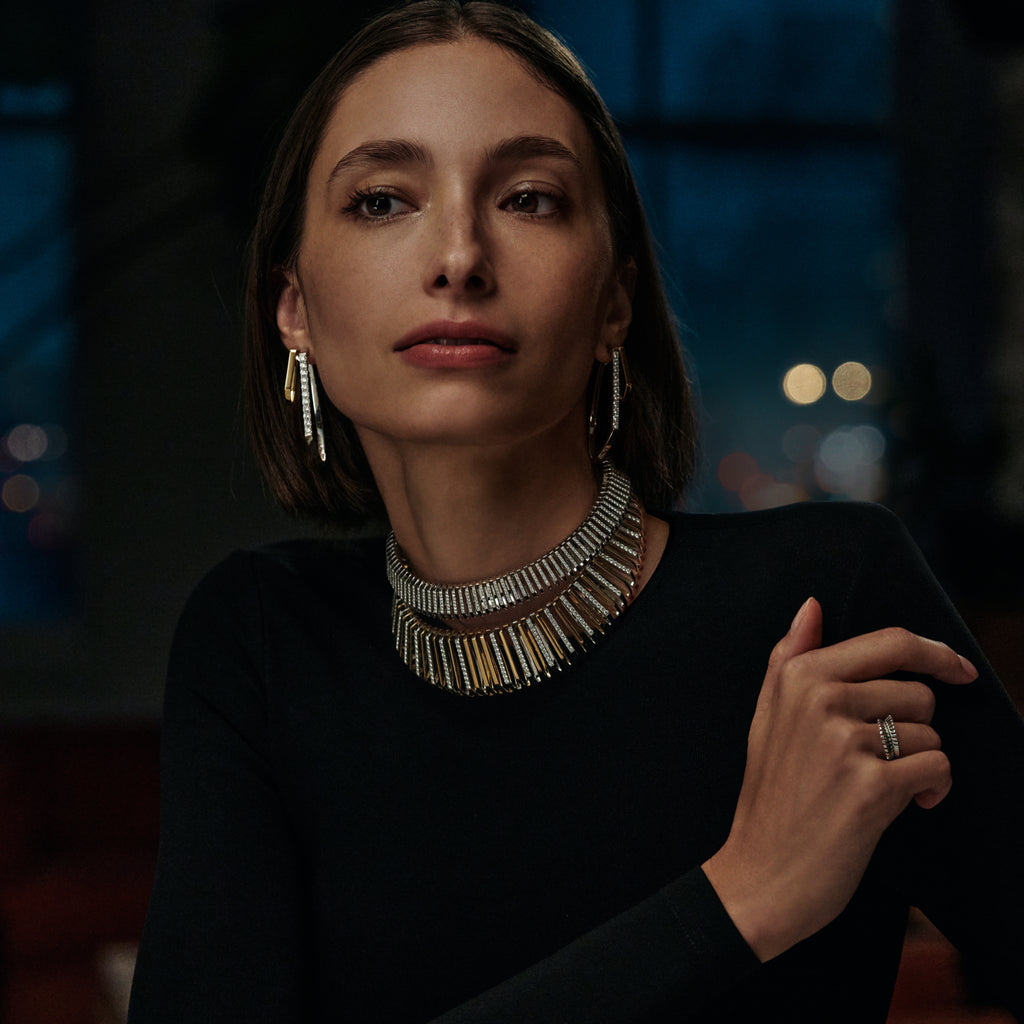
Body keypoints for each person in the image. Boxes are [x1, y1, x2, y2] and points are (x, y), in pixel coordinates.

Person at [126, 2, 1024, 1021]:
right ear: (294, 308)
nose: (457, 255)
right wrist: (744, 897)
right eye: (382, 200)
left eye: (529, 198)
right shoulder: (262, 642)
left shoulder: (824, 608)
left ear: (614, 304)